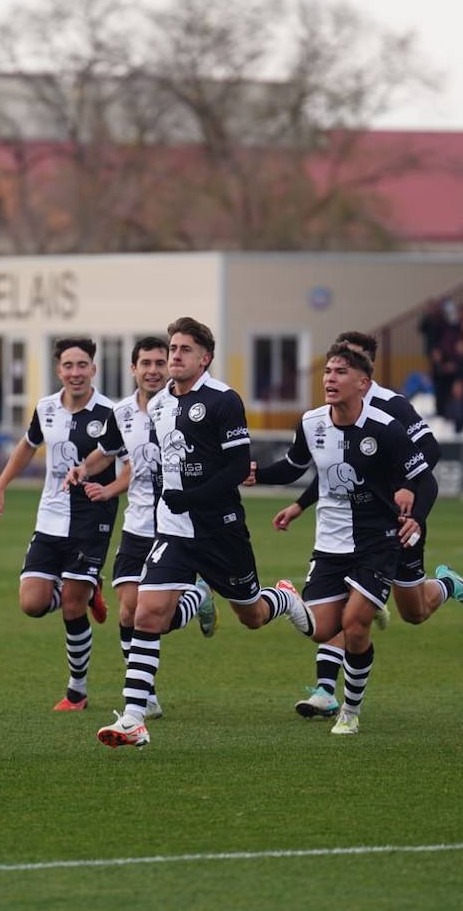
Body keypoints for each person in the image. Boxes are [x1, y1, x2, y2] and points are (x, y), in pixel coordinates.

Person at [95, 317, 310, 750]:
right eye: (172, 348)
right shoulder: (158, 405)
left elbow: (235, 468)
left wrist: (190, 498)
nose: (174, 356)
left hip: (220, 531)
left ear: (204, 358)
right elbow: (159, 465)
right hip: (173, 531)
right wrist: (164, 502)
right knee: (146, 614)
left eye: (183, 350)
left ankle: (284, 597)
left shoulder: (223, 400)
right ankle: (135, 716)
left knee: (251, 616)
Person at [264, 330, 463, 720]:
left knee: (412, 612)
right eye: (330, 367)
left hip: (395, 522)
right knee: (348, 618)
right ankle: (328, 690)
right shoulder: (318, 419)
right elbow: (337, 473)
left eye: (345, 366)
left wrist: (407, 495)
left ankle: (448, 585)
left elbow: (426, 455)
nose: (332, 375)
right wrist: (298, 503)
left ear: (366, 372)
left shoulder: (390, 408)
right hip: (344, 535)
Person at [65, 337, 218, 719]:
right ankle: (144, 694)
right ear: (133, 369)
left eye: (159, 362)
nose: (152, 370)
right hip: (136, 526)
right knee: (128, 613)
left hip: (176, 526)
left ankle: (196, 596)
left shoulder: (185, 409)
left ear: (170, 367)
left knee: (155, 618)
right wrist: (83, 468)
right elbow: (107, 452)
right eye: (145, 363)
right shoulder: (121, 412)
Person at [0, 338, 116, 711]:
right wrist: (0, 486)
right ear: (59, 370)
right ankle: (87, 589)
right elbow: (28, 445)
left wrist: (98, 481)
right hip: (50, 517)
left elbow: (115, 460)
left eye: (82, 365)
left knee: (72, 607)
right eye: (68, 366)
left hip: (91, 519)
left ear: (94, 369)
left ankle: (77, 691)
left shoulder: (110, 413)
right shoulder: (45, 408)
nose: (75, 373)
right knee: (32, 603)